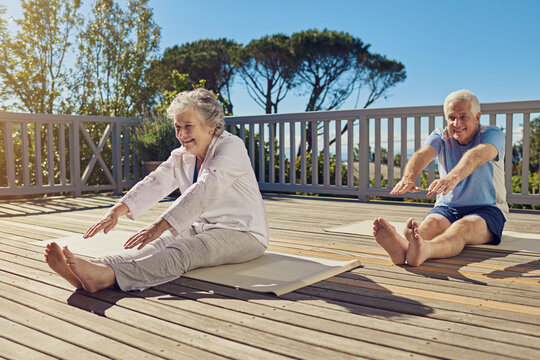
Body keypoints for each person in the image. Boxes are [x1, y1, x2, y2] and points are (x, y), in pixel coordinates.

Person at [45, 88, 269, 292]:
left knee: (185, 250)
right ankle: (95, 267)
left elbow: (205, 188)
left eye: (188, 126)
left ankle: (106, 277)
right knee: (155, 244)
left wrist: (159, 225)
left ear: (211, 127)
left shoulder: (231, 147)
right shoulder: (181, 154)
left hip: (244, 233)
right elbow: (156, 181)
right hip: (203, 227)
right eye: (177, 127)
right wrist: (117, 211)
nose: (181, 134)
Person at [373, 89, 508, 266]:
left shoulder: (491, 134)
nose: (456, 123)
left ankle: (422, 250)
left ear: (477, 117)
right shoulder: (441, 136)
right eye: (451, 117)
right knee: (429, 226)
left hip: (487, 209)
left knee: (461, 228)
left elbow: (476, 156)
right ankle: (404, 249)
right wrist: (409, 177)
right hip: (448, 207)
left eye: (463, 116)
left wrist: (451, 178)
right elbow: (423, 154)